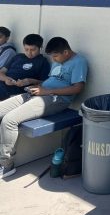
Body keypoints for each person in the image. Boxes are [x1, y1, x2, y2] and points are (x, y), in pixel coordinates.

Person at [0, 37, 88, 179]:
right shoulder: (58, 61)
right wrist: (33, 82)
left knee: (9, 120)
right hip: (38, 92)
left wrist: (46, 92)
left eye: (55, 56)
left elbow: (78, 88)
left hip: (56, 100)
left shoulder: (79, 62)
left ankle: (6, 165)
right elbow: (50, 81)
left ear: (66, 52)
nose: (53, 59)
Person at [0, 34, 50, 101]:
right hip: (3, 84)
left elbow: (45, 82)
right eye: (26, 49)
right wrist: (5, 79)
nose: (29, 52)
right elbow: (1, 72)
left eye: (33, 50)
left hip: (15, 90)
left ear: (40, 48)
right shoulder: (18, 57)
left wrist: (30, 81)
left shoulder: (42, 61)